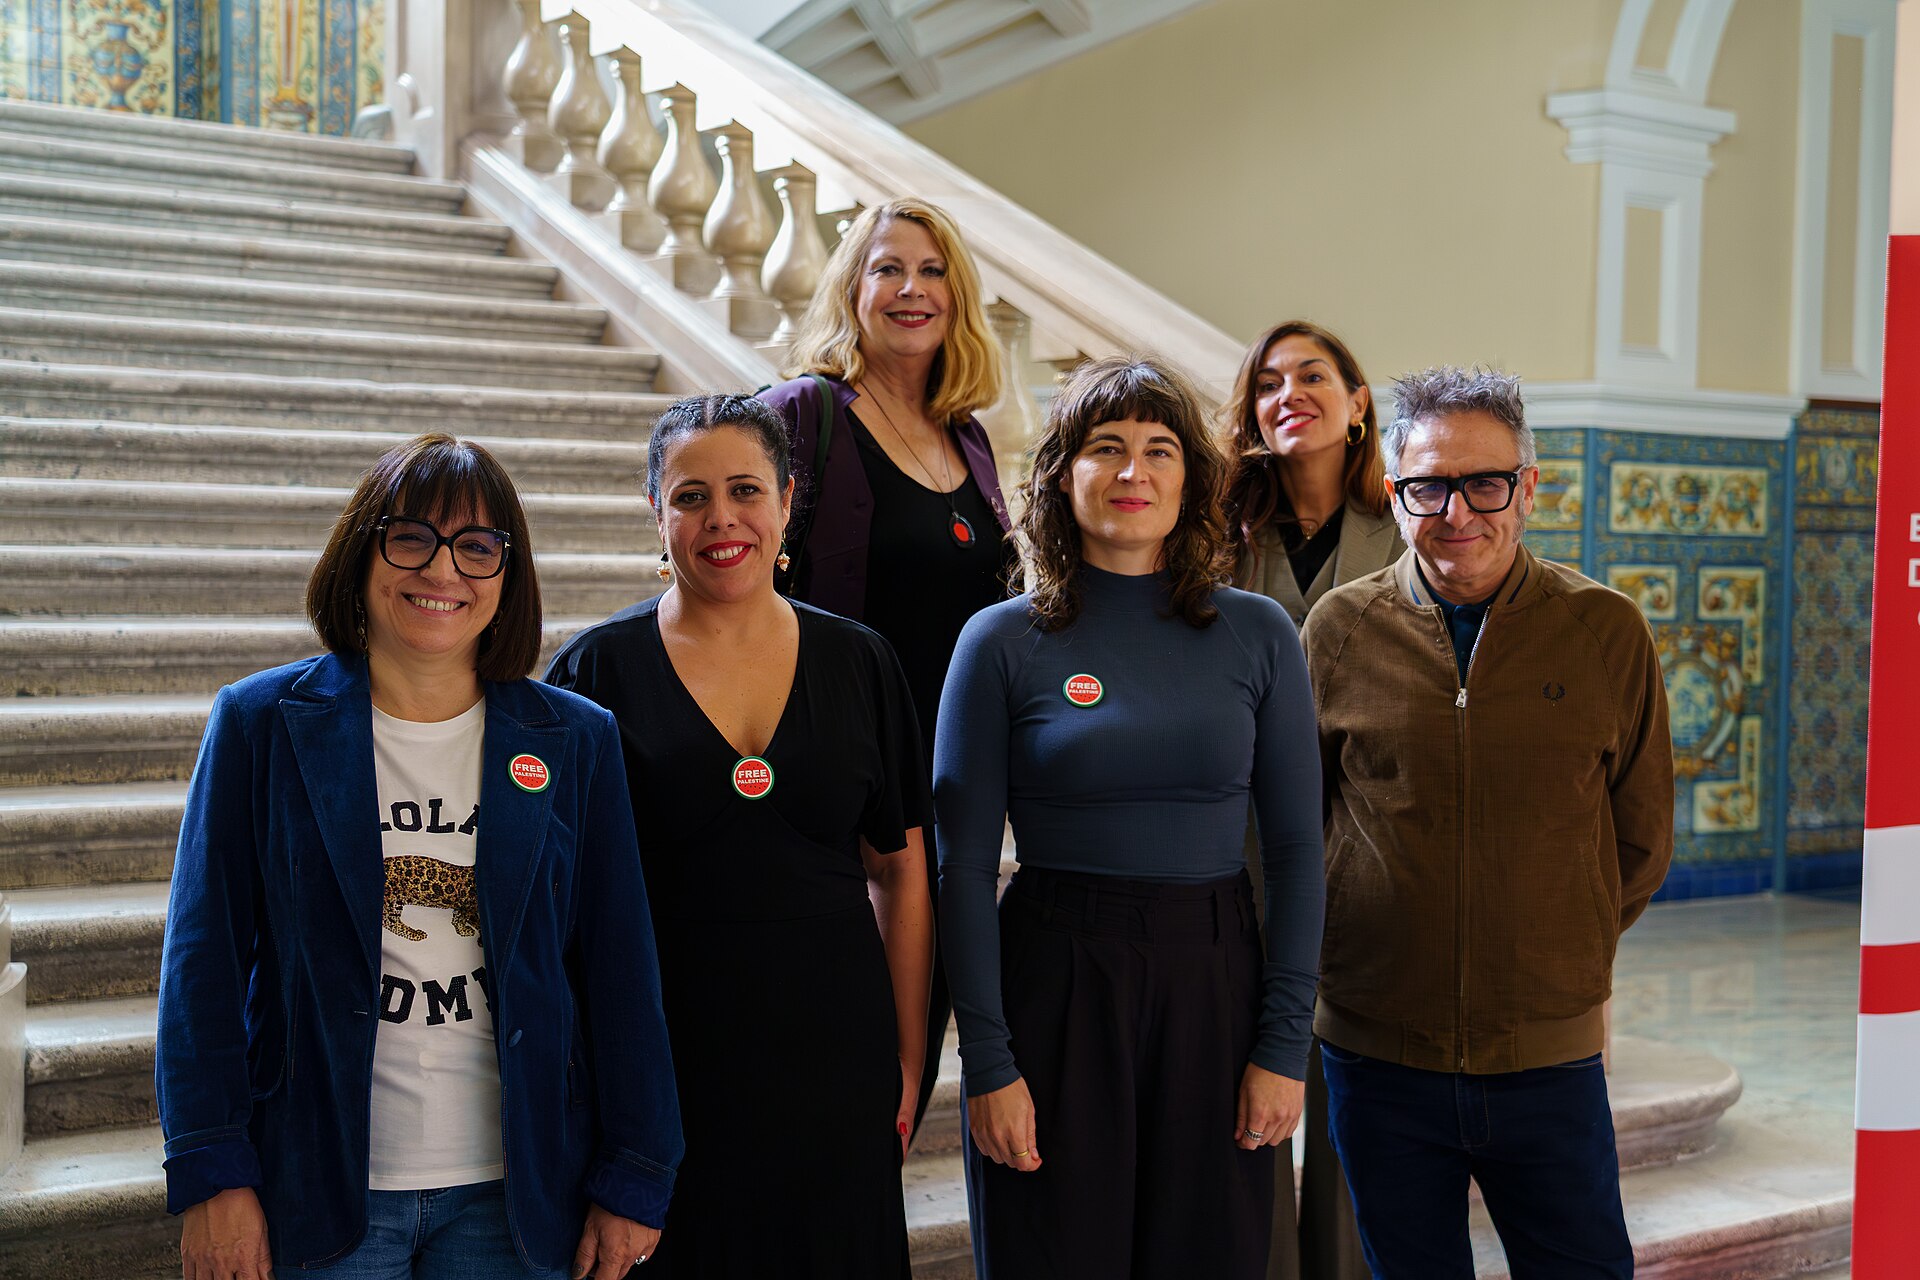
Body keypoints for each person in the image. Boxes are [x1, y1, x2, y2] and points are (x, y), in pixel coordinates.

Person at [156, 434, 681, 1280]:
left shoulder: (575, 740)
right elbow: (202, 962)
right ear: (362, 553)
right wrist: (210, 1166)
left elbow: (621, 967)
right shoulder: (261, 723)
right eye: (412, 538)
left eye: (478, 548)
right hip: (319, 1189)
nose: (444, 573)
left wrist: (637, 1172)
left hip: (516, 1198)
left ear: (508, 579)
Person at [936, 355, 1326, 1280]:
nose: (1131, 473)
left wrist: (1280, 1044)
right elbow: (958, 868)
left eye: (1159, 451)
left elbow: (1301, 853)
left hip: (1216, 987)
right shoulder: (999, 641)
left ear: (1190, 478)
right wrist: (986, 1063)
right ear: (1062, 473)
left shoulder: (1258, 632)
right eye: (1105, 449)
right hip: (1057, 985)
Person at [544, 394, 933, 1279]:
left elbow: (902, 874)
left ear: (788, 501)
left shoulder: (862, 661)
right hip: (668, 1072)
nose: (721, 518)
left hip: (838, 1062)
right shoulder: (593, 671)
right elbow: (562, 917)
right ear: (657, 513)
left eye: (745, 490)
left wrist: (907, 1058)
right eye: (689, 496)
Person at [1301, 367, 1673, 1279]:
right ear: (1395, 494)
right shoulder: (1337, 630)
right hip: (1377, 1058)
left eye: (1485, 482)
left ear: (1529, 487)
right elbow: (1300, 829)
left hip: (1546, 1059)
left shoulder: (1606, 631)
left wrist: (1553, 943)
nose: (1457, 510)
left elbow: (1640, 838)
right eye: (1428, 485)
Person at [759, 196, 1014, 1137]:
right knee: (835, 1071)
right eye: (887, 269)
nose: (912, 289)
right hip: (834, 793)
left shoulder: (970, 438)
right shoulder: (803, 414)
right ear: (851, 289)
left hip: (946, 796)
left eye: (933, 271)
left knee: (903, 1076)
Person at [1222, 321, 1401, 1280]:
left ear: (1358, 401)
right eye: (1268, 381)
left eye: (1314, 375)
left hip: (1369, 846)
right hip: (1240, 847)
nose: (1289, 391)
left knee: (1348, 1100)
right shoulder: (1215, 535)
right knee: (1246, 1101)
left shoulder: (1406, 526)